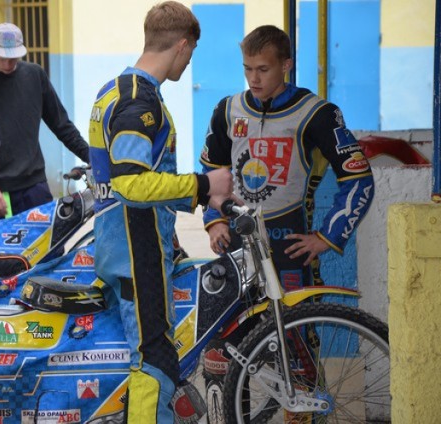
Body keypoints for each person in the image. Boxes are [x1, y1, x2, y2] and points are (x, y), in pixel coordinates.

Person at [199, 24, 375, 420]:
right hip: (239, 247)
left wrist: (326, 237)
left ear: (287, 65)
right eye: (247, 69)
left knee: (296, 346)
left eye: (263, 69)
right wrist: (214, 221)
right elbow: (213, 171)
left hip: (289, 246)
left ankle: (304, 414)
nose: (254, 79)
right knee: (224, 351)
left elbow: (358, 177)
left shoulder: (316, 112)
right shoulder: (227, 110)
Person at [89, 2, 235, 422]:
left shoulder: (111, 91)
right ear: (183, 45)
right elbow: (131, 184)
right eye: (191, 56)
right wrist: (203, 185)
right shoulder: (141, 101)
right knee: (154, 363)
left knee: (148, 357)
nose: (188, 65)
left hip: (122, 243)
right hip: (137, 251)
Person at [0, 23, 90, 218]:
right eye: (4, 58)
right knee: (2, 249)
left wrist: (91, 156)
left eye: (14, 58)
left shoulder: (35, 75)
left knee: (49, 247)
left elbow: (62, 125)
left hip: (34, 186)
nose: (9, 64)